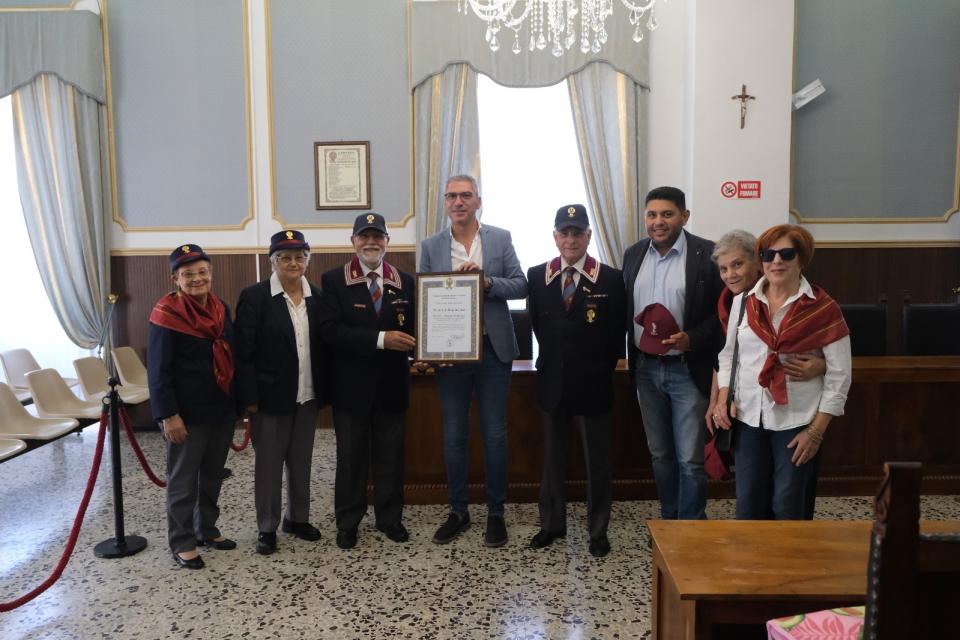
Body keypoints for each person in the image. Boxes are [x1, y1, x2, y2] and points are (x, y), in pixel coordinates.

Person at [714, 224, 852, 520]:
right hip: (748, 418)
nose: (776, 261)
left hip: (798, 422)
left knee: (788, 506)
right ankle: (753, 566)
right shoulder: (742, 302)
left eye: (786, 254)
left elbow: (841, 376)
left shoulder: (824, 309)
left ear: (801, 259)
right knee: (748, 505)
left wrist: (816, 432)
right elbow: (728, 357)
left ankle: (790, 567)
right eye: (768, 254)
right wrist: (724, 394)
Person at [420, 174, 528, 548]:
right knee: (454, 435)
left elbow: (521, 284)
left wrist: (486, 282)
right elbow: (425, 300)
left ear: (478, 201)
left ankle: (495, 513)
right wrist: (431, 347)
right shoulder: (431, 246)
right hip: (451, 355)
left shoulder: (499, 238)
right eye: (452, 196)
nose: (459, 202)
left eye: (466, 195)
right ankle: (458, 511)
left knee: (495, 434)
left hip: (493, 350)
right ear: (445, 203)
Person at [526, 204, 625, 558]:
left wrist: (597, 367)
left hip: (593, 383)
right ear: (555, 237)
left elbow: (617, 333)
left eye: (577, 232)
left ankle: (598, 530)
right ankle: (551, 524)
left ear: (588, 236)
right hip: (552, 383)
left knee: (597, 461)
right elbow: (540, 326)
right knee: (552, 459)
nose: (570, 239)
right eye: (564, 233)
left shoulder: (611, 278)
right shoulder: (537, 276)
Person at [622, 186, 725, 520]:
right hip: (646, 370)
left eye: (667, 214)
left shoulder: (707, 254)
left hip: (687, 368)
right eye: (652, 214)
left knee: (690, 458)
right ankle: (670, 520)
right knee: (660, 454)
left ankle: (691, 525)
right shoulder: (633, 254)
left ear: (684, 216)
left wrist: (692, 338)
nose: (658, 222)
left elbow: (724, 313)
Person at [318, 213, 415, 549]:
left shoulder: (405, 281)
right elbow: (331, 332)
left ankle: (390, 519)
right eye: (364, 236)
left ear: (388, 241)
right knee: (351, 459)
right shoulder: (333, 281)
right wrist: (381, 339)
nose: (371, 242)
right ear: (353, 241)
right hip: (351, 389)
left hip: (392, 386)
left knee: (391, 456)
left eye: (378, 236)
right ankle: (348, 522)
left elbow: (417, 329)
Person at [234, 230, 326, 555]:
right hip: (269, 400)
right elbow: (243, 353)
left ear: (307, 260)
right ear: (272, 261)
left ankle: (297, 518)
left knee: (301, 461)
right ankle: (267, 526)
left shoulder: (317, 295)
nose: (293, 262)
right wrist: (249, 398)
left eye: (299, 256)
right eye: (285, 257)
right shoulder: (255, 297)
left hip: (307, 395)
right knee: (269, 466)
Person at [148, 244, 237, 569]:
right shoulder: (166, 314)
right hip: (185, 416)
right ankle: (182, 541)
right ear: (176, 278)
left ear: (210, 273)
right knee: (184, 480)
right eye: (188, 274)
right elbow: (158, 371)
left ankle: (206, 529)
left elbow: (231, 354)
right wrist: (168, 415)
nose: (197, 279)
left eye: (202, 272)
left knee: (213, 475)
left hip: (220, 409)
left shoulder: (220, 308)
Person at [705, 229, 826, 435]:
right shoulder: (729, 301)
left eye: (737, 265)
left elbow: (833, 359)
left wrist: (823, 366)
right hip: (746, 409)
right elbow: (727, 355)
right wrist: (718, 399)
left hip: (794, 410)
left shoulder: (802, 298)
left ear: (757, 262)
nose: (730, 274)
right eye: (723, 269)